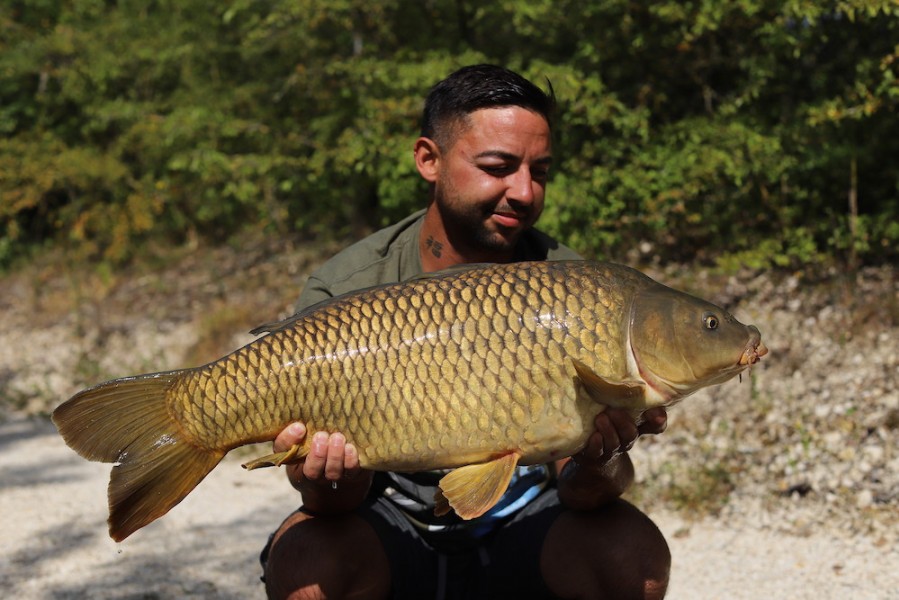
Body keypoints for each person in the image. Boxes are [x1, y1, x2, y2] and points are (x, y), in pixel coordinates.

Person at [261, 64, 671, 600]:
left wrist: (602, 461)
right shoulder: (345, 289)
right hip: (389, 529)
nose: (524, 191)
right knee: (305, 561)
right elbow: (325, 504)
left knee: (630, 555)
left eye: (540, 171)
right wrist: (328, 476)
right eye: (499, 166)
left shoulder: (575, 289)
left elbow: (588, 493)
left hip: (524, 528)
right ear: (428, 160)